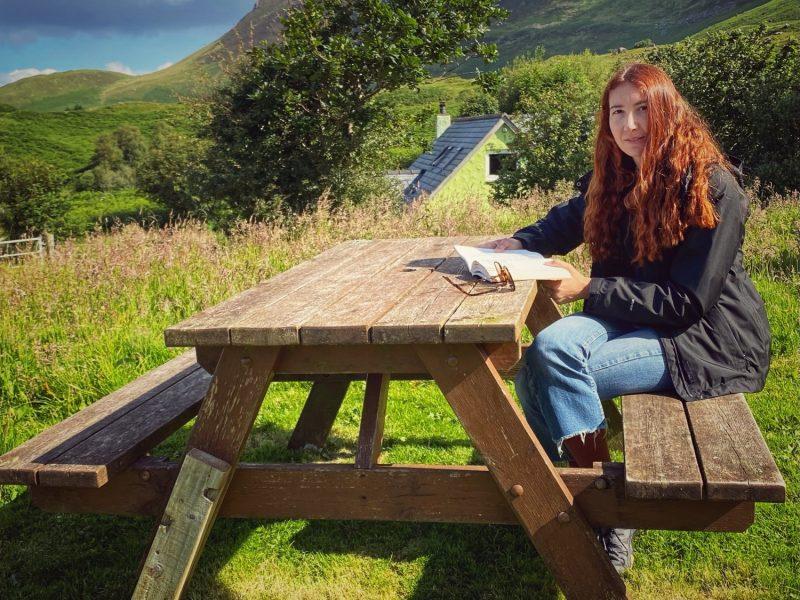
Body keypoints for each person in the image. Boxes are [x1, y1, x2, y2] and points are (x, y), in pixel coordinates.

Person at [480, 62, 771, 574]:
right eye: (617, 112)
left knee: (548, 374)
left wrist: (587, 289)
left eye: (642, 109)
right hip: (626, 313)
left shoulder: (713, 188)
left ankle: (603, 509)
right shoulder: (614, 176)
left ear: (669, 113)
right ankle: (564, 485)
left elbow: (687, 302)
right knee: (547, 353)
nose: (629, 124)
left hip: (700, 337)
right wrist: (522, 242)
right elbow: (568, 220)